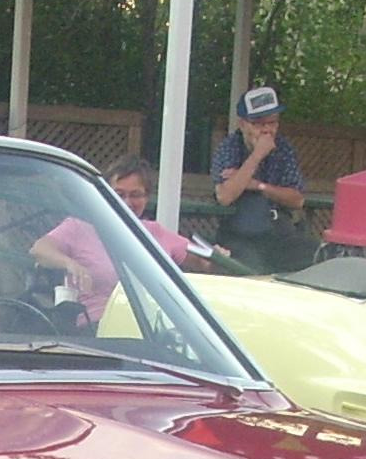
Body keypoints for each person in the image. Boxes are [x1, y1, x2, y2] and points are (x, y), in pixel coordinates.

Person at [30, 155, 199, 321]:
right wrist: (70, 264)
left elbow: (202, 259)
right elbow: (40, 249)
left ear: (147, 197)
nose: (126, 202)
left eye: (135, 195)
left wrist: (218, 255)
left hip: (150, 333)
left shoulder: (155, 233)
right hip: (95, 330)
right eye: (119, 194)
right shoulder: (78, 227)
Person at [212, 85, 316, 273]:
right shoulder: (229, 147)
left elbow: (297, 199)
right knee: (251, 270)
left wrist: (258, 185)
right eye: (259, 124)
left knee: (316, 257)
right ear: (243, 124)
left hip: (279, 232)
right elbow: (225, 196)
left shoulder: (283, 149)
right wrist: (257, 155)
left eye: (273, 123)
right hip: (239, 235)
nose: (267, 130)